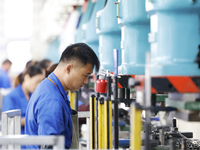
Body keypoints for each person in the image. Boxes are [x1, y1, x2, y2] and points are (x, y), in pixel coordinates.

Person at [25, 43, 99, 149]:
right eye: (85, 75)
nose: (86, 81)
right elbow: (51, 147)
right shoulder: (52, 100)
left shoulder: (50, 87)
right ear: (68, 69)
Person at [2, 64, 45, 134]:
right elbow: (7, 122)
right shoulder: (11, 97)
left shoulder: (33, 97)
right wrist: (32, 119)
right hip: (17, 141)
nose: (38, 85)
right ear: (27, 77)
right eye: (37, 81)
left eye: (40, 82)